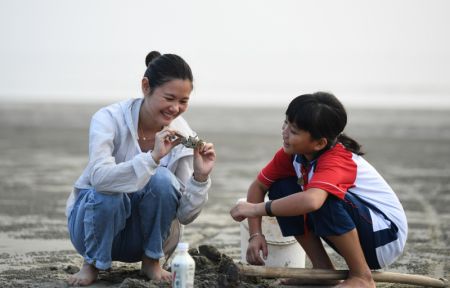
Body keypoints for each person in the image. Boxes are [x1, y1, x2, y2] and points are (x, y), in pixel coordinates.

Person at [66, 51, 216, 286]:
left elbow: (185, 216)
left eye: (183, 101)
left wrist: (200, 177)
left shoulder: (185, 138)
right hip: (93, 228)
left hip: (147, 237)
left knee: (163, 180)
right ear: (146, 86)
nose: (175, 108)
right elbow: (99, 179)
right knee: (110, 193)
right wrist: (153, 157)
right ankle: (92, 263)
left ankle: (151, 261)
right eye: (169, 98)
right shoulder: (109, 119)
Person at [230, 92, 407, 288]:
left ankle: (362, 276)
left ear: (320, 142)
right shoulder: (292, 154)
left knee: (322, 197)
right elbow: (259, 186)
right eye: (286, 122)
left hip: (383, 238)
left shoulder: (337, 159)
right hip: (357, 230)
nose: (285, 131)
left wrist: (255, 209)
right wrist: (256, 235)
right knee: (281, 187)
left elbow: (312, 202)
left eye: (294, 131)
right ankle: (322, 269)